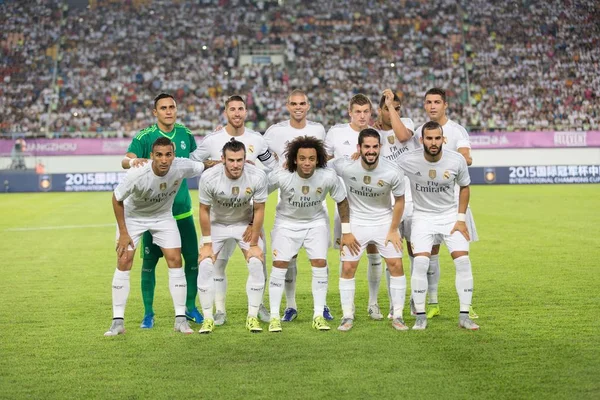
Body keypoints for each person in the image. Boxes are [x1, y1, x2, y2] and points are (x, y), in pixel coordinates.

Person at [104, 137, 212, 336]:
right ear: (152, 156)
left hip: (162, 217)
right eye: (159, 155)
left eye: (168, 155)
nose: (164, 160)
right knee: (124, 260)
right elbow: (116, 198)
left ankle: (180, 320)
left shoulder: (181, 166)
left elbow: (205, 165)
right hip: (133, 218)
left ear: (173, 155)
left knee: (175, 260)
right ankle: (117, 322)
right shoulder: (137, 173)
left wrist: (226, 162)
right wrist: (124, 233)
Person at [190, 95, 275, 326]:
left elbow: (274, 167)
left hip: (247, 218)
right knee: (216, 264)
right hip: (219, 216)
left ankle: (260, 306)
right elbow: (193, 163)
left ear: (246, 112)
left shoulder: (257, 139)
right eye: (232, 109)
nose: (237, 113)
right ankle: (219, 310)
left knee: (258, 260)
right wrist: (216, 164)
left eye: (241, 109)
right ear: (225, 112)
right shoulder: (213, 139)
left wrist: (258, 179)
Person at [325, 93, 411, 321]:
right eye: (358, 111)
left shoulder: (378, 132)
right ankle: (344, 310)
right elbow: (324, 162)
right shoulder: (336, 132)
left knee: (375, 255)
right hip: (347, 207)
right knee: (347, 259)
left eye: (366, 112)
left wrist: (391, 104)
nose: (362, 116)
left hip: (378, 203)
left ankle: (374, 303)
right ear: (349, 112)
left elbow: (400, 138)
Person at [121, 93, 203, 329]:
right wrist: (132, 162)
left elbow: (195, 161)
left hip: (182, 211)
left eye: (172, 107)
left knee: (191, 261)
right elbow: (127, 159)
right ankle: (149, 313)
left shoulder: (186, 134)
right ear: (154, 112)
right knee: (149, 263)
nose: (169, 111)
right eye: (163, 108)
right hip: (153, 214)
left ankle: (190, 307)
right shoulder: (145, 137)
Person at [266, 135, 354, 332]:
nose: (307, 163)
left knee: (320, 263)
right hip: (286, 224)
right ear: (295, 159)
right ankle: (274, 317)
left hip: (315, 223)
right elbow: (260, 193)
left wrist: (346, 231)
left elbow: (342, 200)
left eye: (311, 159)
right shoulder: (282, 175)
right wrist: (252, 221)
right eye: (303, 158)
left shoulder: (328, 176)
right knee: (280, 265)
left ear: (318, 160)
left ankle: (318, 315)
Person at [398, 121, 479, 331]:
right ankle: (420, 316)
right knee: (421, 263)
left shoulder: (456, 160)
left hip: (450, 216)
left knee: (463, 261)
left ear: (443, 139)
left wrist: (461, 218)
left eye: (437, 138)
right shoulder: (408, 160)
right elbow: (383, 168)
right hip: (423, 217)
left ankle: (464, 316)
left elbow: (465, 187)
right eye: (429, 138)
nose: (433, 143)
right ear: (422, 139)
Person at [263, 89, 331, 323]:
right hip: (289, 203)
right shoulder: (275, 131)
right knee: (287, 259)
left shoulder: (318, 129)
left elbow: (325, 157)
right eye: (294, 103)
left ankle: (322, 307)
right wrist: (278, 168)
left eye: (302, 103)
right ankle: (290, 305)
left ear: (308, 105)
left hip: (316, 203)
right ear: (287, 105)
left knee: (320, 258)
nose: (298, 107)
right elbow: (260, 152)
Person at [414, 88, 479, 320]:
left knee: (461, 257)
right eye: (429, 102)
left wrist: (448, 159)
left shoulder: (456, 130)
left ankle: (467, 306)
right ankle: (433, 302)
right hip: (427, 205)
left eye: (437, 102)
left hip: (452, 206)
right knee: (430, 256)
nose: (433, 106)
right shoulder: (419, 132)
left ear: (445, 105)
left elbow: (467, 156)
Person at [196, 139, 268, 334]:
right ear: (223, 159)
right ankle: (208, 318)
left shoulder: (257, 176)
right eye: (231, 160)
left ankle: (252, 317)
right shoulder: (209, 177)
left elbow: (260, 209)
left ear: (246, 159)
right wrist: (207, 244)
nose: (236, 165)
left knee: (255, 262)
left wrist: (253, 241)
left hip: (243, 224)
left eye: (240, 160)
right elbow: (203, 210)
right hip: (216, 224)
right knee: (205, 264)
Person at [375, 89, 419, 319]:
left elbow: (402, 137)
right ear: (379, 110)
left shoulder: (408, 124)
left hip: (412, 200)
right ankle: (395, 304)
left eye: (397, 108)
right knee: (391, 254)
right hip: (387, 202)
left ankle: (415, 300)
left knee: (416, 252)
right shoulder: (372, 133)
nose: (394, 111)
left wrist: (392, 107)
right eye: (387, 108)